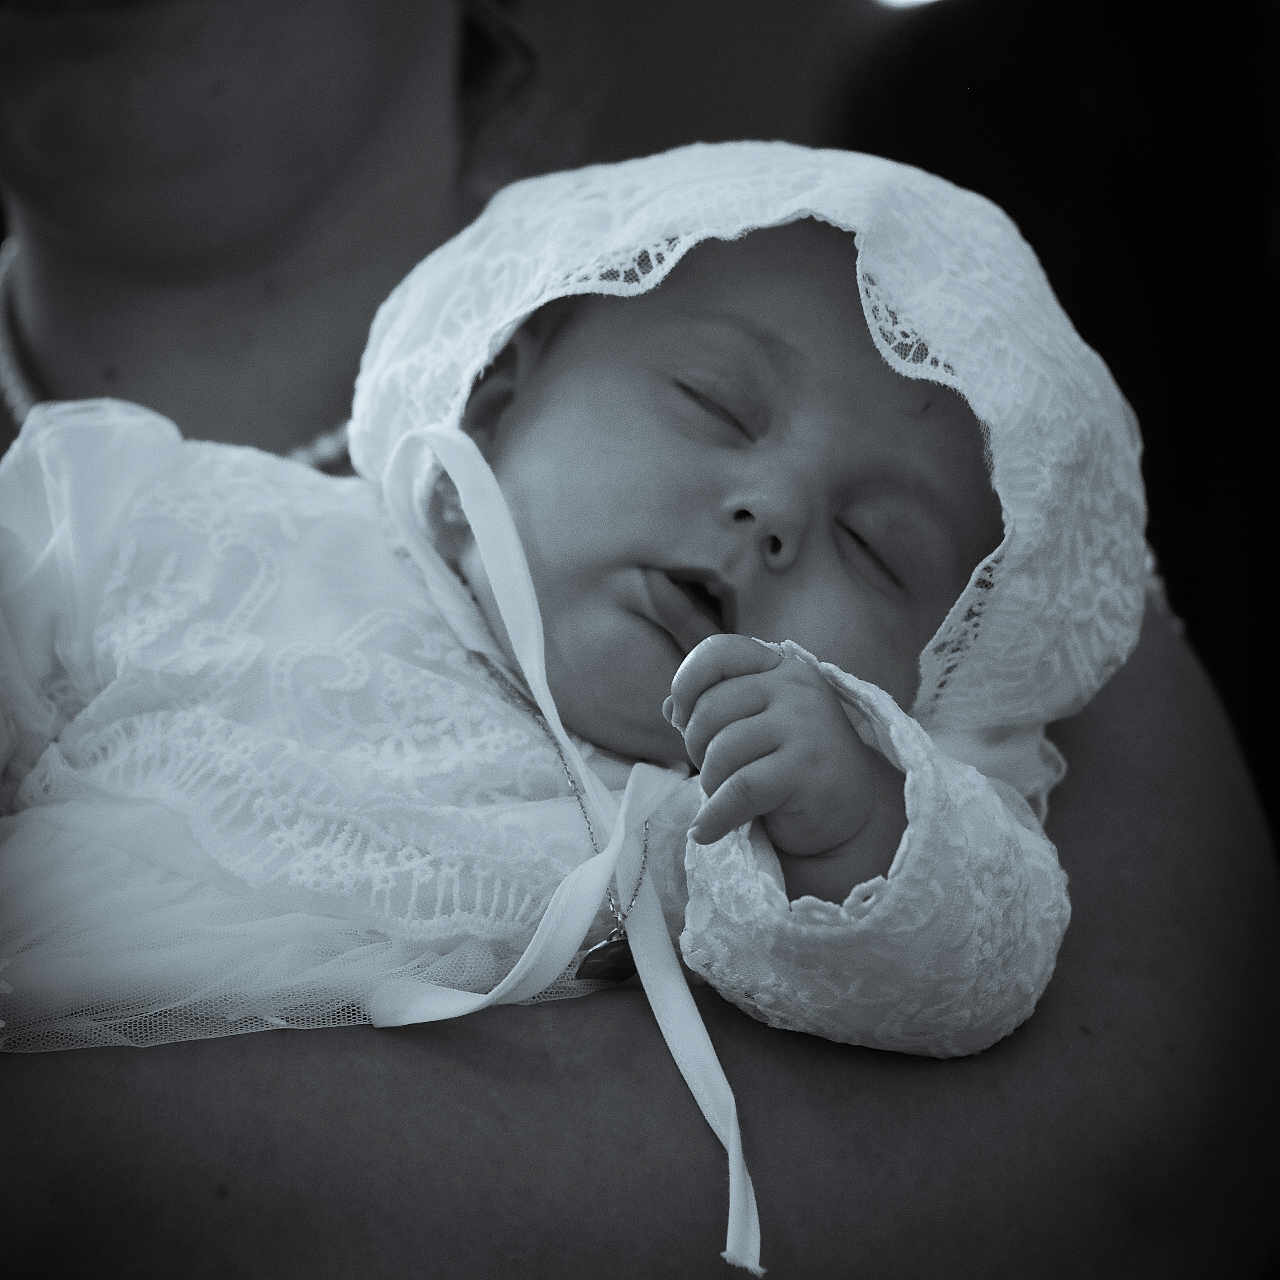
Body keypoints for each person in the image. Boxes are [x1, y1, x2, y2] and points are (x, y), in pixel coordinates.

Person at [0, 3, 1275, 1277]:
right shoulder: (144, 520)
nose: (773, 511)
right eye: (712, 405)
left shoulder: (756, 792)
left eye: (875, 549)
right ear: (497, 391)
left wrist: (860, 829)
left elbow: (990, 999)